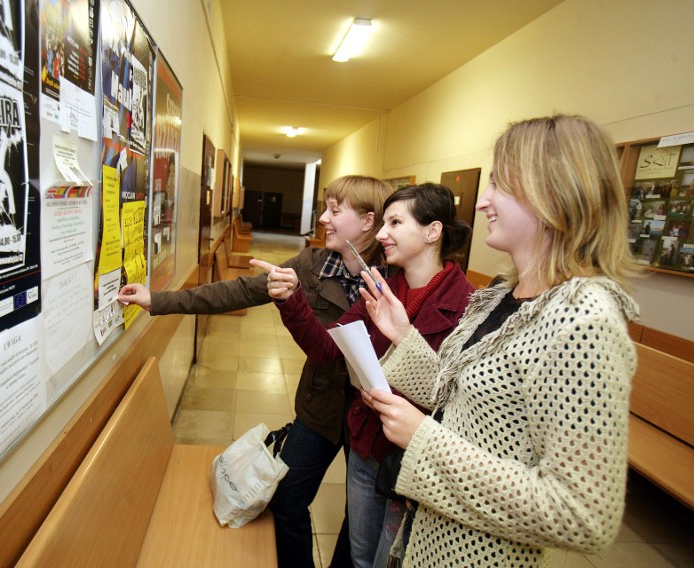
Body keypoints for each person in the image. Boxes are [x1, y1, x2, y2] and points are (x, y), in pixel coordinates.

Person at [359, 115, 640, 567]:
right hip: (429, 538)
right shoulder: (500, 296)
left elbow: (583, 516)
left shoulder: (583, 319)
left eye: (500, 185)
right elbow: (461, 399)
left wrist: (424, 440)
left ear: (555, 193)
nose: (484, 201)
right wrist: (403, 335)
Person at [117, 175, 395, 568]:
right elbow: (240, 291)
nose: (322, 218)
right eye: (325, 208)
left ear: (368, 222)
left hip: (369, 418)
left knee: (359, 524)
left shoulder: (393, 280)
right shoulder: (311, 266)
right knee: (287, 501)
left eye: (335, 211)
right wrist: (158, 299)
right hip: (319, 409)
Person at [258, 184, 474, 568]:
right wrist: (291, 301)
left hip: (408, 461)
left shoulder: (467, 308)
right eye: (383, 221)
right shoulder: (384, 289)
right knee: (359, 556)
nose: (382, 234)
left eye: (395, 222)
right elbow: (328, 349)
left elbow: (456, 403)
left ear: (432, 231)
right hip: (364, 449)